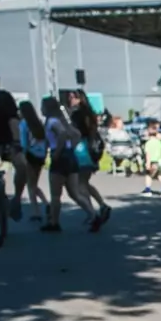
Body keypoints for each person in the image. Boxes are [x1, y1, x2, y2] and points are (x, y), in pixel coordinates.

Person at [40, 96, 99, 232]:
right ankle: (93, 215)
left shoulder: (52, 122)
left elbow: (61, 135)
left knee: (55, 194)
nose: (41, 110)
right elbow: (76, 135)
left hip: (60, 158)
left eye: (43, 107)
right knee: (74, 192)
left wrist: (56, 152)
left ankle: (54, 222)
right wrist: (69, 147)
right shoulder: (62, 121)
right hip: (70, 157)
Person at [69, 89, 111, 225]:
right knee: (84, 182)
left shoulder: (77, 114)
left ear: (78, 99)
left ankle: (92, 211)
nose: (70, 101)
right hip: (91, 149)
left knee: (80, 184)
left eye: (72, 98)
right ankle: (98, 207)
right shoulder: (89, 113)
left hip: (81, 149)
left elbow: (76, 131)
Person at [0, 70, 30, 221]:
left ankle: (17, 199)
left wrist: (16, 143)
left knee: (22, 165)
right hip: (6, 140)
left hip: (5, 140)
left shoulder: (4, 98)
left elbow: (13, 121)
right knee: (22, 165)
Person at [16, 100, 50, 221]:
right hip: (40, 155)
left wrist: (22, 155)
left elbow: (24, 143)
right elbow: (45, 141)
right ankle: (46, 204)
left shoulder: (24, 124)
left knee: (31, 185)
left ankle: (36, 212)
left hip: (30, 155)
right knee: (34, 183)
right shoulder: (39, 123)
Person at [141, 119, 161, 197]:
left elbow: (148, 154)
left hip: (152, 161)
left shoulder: (148, 143)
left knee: (149, 175)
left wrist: (147, 163)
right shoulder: (160, 142)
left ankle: (148, 189)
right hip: (160, 161)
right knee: (160, 175)